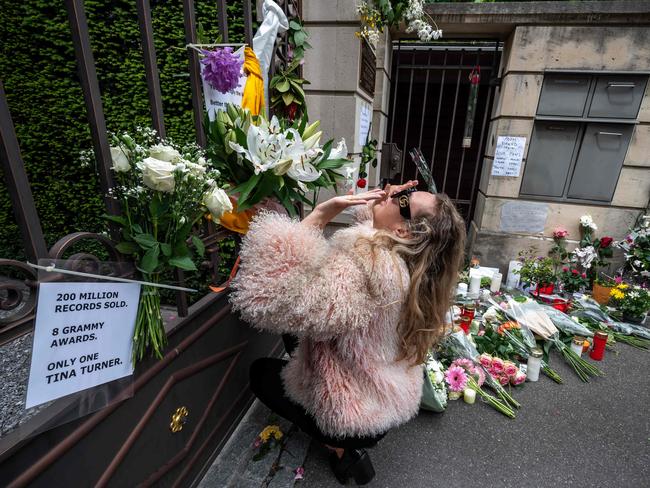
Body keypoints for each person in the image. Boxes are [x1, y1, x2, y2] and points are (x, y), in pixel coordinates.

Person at [230, 180, 466, 485]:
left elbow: (271, 298)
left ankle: (342, 448)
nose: (395, 193)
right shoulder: (415, 264)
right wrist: (385, 201)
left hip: (352, 413)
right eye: (402, 191)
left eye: (404, 200)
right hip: (386, 396)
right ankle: (349, 444)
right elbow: (373, 227)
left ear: (404, 231)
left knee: (260, 373)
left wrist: (319, 215)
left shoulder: (364, 267)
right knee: (296, 339)